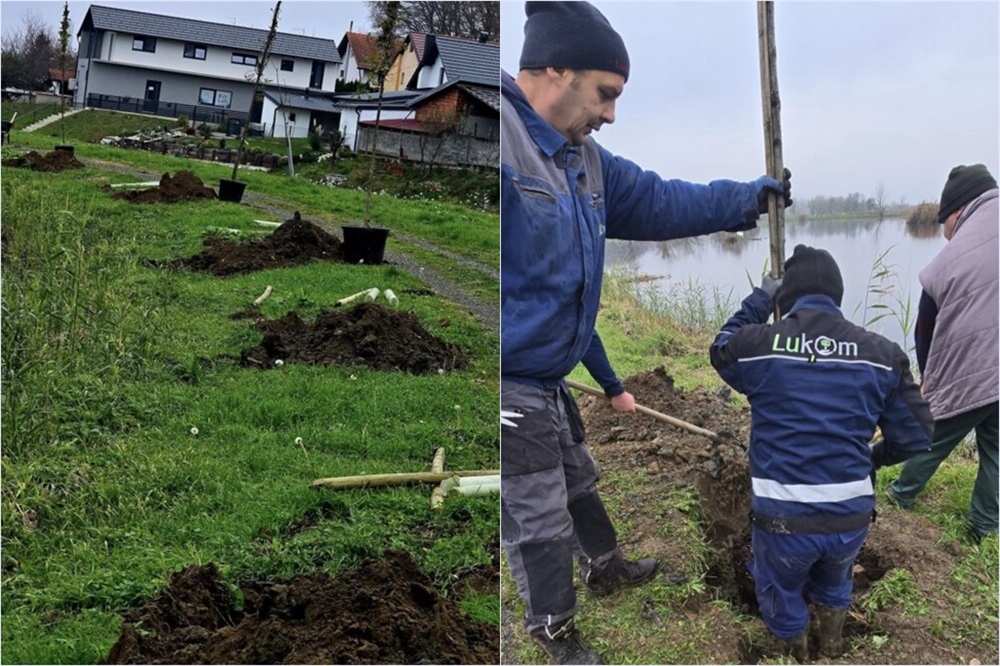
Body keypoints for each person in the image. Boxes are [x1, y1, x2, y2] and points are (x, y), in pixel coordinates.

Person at [500, 2, 792, 663]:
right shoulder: (502, 145)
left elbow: (665, 200)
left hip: (549, 382)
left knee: (578, 480)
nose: (610, 113)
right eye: (606, 94)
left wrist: (749, 198)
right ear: (556, 69)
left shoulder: (585, 161)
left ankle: (606, 569)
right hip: (510, 383)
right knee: (539, 518)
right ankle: (554, 633)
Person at [709, 245, 933, 661]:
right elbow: (918, 434)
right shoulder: (883, 355)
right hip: (850, 517)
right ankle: (831, 646)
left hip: (782, 523)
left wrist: (760, 298)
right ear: (838, 294)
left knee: (780, 593)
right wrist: (873, 458)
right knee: (835, 581)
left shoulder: (760, 345)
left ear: (784, 297)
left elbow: (721, 347)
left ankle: (796, 653)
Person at [887, 165, 999, 541]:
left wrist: (928, 384)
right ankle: (985, 527)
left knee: (933, 436)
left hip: (976, 368)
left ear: (956, 212)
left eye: (943, 225)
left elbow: (925, 329)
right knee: (997, 449)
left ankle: (899, 496)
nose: (946, 235)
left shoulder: (947, 262)